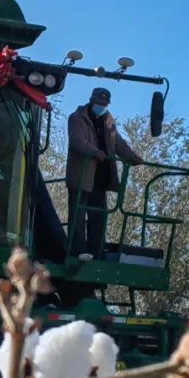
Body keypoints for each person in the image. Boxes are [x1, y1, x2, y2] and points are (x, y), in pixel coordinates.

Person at [66, 87, 143, 259]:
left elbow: (117, 143)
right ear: (91, 101)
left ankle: (96, 252)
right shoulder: (77, 118)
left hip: (100, 178)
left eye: (104, 104)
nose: (101, 106)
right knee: (78, 217)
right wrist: (95, 152)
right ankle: (77, 252)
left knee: (99, 218)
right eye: (99, 103)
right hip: (81, 176)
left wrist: (131, 157)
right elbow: (77, 140)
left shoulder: (108, 121)